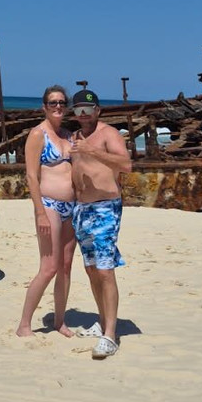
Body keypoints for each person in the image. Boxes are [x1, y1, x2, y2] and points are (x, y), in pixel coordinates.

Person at [69, 86, 132, 358]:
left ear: (98, 111)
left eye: (88, 109)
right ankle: (102, 320)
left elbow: (126, 165)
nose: (83, 114)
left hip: (105, 208)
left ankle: (111, 335)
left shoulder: (109, 134)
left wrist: (91, 151)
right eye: (78, 110)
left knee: (105, 270)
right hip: (82, 210)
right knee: (92, 269)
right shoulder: (75, 137)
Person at [15, 85, 78, 337]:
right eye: (53, 103)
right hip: (49, 205)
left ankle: (59, 321)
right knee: (49, 267)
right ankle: (24, 325)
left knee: (65, 266)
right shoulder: (38, 134)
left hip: (71, 208)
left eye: (62, 102)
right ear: (44, 106)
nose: (58, 106)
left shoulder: (69, 136)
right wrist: (39, 211)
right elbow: (31, 175)